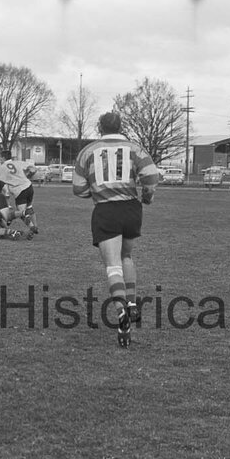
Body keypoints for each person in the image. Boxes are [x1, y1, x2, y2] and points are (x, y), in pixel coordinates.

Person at [72, 112, 160, 347]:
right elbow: (151, 178)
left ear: (100, 127)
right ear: (121, 126)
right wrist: (147, 197)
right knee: (126, 256)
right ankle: (131, 303)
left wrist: (97, 190)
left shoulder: (88, 151)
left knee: (112, 265)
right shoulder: (135, 148)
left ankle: (121, 310)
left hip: (106, 210)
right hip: (131, 209)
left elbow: (78, 188)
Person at [0, 150, 39, 237]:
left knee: (22, 213)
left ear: (3, 158)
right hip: (29, 186)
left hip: (19, 191)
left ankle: (31, 228)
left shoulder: (1, 168)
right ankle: (35, 227)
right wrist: (28, 175)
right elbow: (33, 168)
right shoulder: (18, 162)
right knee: (29, 207)